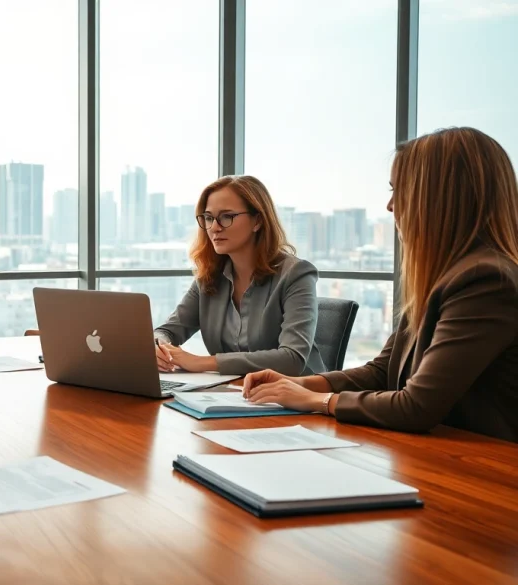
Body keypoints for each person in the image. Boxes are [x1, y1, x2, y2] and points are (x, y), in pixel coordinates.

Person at [243, 127, 518, 443]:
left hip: (483, 472)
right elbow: (382, 372)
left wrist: (317, 402)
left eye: (399, 190)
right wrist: (302, 384)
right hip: (434, 456)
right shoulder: (446, 276)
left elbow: (417, 406)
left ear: (442, 198)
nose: (390, 206)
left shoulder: (486, 281)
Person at [153, 175, 325, 376]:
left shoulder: (296, 274)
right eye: (208, 218)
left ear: (257, 221)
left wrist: (203, 362)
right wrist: (159, 347)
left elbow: (292, 359)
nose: (214, 227)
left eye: (227, 217)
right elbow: (168, 331)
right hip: (233, 393)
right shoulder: (209, 276)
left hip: (296, 397)